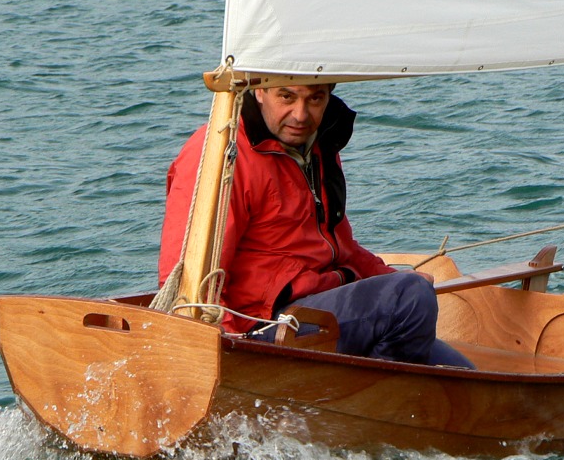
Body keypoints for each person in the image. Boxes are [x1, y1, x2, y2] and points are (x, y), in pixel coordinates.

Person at [159, 84, 473, 368]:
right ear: (258, 91)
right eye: (286, 96)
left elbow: (341, 248)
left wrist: (391, 279)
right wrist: (232, 355)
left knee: (465, 376)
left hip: (322, 309)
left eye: (315, 98)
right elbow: (185, 280)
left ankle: (372, 403)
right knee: (410, 298)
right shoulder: (219, 154)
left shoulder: (318, 147)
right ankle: (368, 406)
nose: (300, 114)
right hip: (261, 328)